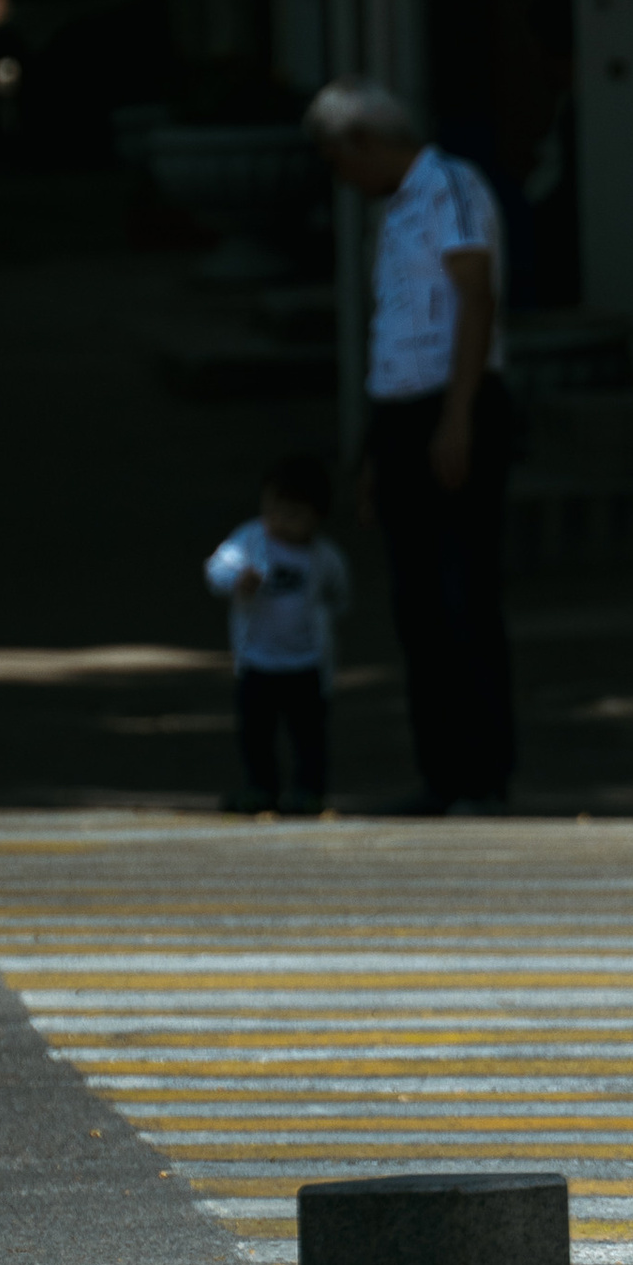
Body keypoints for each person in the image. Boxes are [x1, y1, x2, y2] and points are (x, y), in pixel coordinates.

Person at [304, 77, 516, 815]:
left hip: (449, 404)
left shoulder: (449, 186)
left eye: (339, 159)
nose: (342, 177)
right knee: (416, 603)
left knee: (463, 597)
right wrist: (373, 454)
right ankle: (441, 773)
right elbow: (391, 333)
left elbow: (475, 295)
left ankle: (482, 774)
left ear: (364, 141)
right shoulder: (394, 210)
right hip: (401, 411)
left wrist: (456, 416)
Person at [205, 452, 351, 814]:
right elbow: (217, 568)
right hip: (258, 659)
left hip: (306, 662)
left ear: (317, 518)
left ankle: (308, 790)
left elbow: (340, 592)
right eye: (274, 509)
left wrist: (328, 624)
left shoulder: (323, 556)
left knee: (309, 735)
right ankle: (261, 787)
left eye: (294, 514)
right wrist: (237, 581)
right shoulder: (251, 540)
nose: (281, 522)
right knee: (256, 733)